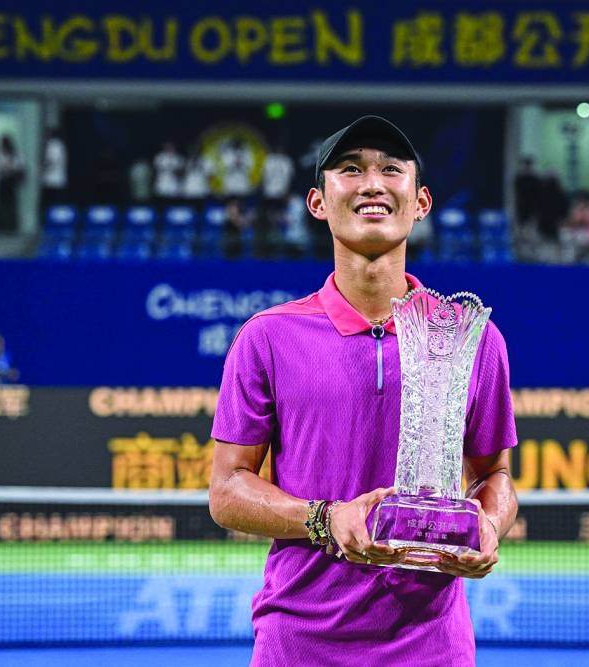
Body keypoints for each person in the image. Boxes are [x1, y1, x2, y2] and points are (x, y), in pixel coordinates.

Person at [209, 115, 518, 666]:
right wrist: (327, 519)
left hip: (433, 648)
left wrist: (488, 526)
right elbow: (227, 491)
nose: (372, 183)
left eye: (390, 170)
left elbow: (494, 475)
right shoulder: (267, 337)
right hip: (299, 645)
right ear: (317, 203)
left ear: (420, 201)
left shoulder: (472, 338)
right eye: (350, 170)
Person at [0, 134, 26, 232]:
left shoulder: (15, 154)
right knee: (1, 204)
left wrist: (10, 168)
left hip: (11, 182)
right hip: (2, 181)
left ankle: (12, 226)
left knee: (11, 205)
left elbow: (20, 167)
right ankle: (0, 226)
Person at [153, 140, 185, 209]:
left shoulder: (179, 158)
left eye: (171, 146)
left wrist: (175, 171)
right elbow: (157, 170)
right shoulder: (159, 157)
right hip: (162, 186)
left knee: (173, 208)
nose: (170, 148)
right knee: (161, 206)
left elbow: (181, 172)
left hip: (175, 187)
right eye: (167, 146)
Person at [41, 129, 68, 209]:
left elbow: (52, 161)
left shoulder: (55, 145)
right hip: (53, 180)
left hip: (53, 181)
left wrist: (42, 166)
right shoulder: (57, 145)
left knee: (52, 204)